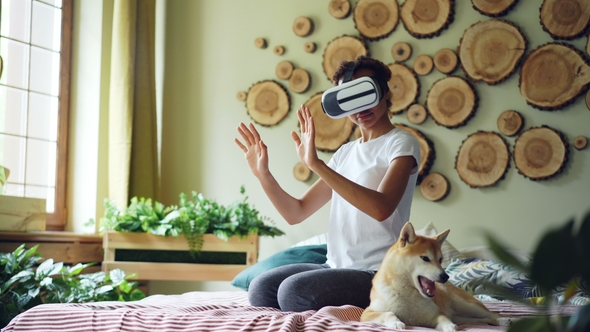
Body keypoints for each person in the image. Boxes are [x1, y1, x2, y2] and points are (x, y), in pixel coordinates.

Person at [234, 55, 421, 312]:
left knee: (293, 292)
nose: (360, 108)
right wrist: (263, 174)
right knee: (260, 287)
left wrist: (317, 164)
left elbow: (382, 208)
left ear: (385, 93)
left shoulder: (401, 143)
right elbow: (295, 212)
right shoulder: (345, 153)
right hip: (335, 265)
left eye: (366, 94)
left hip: (378, 272)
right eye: (349, 99)